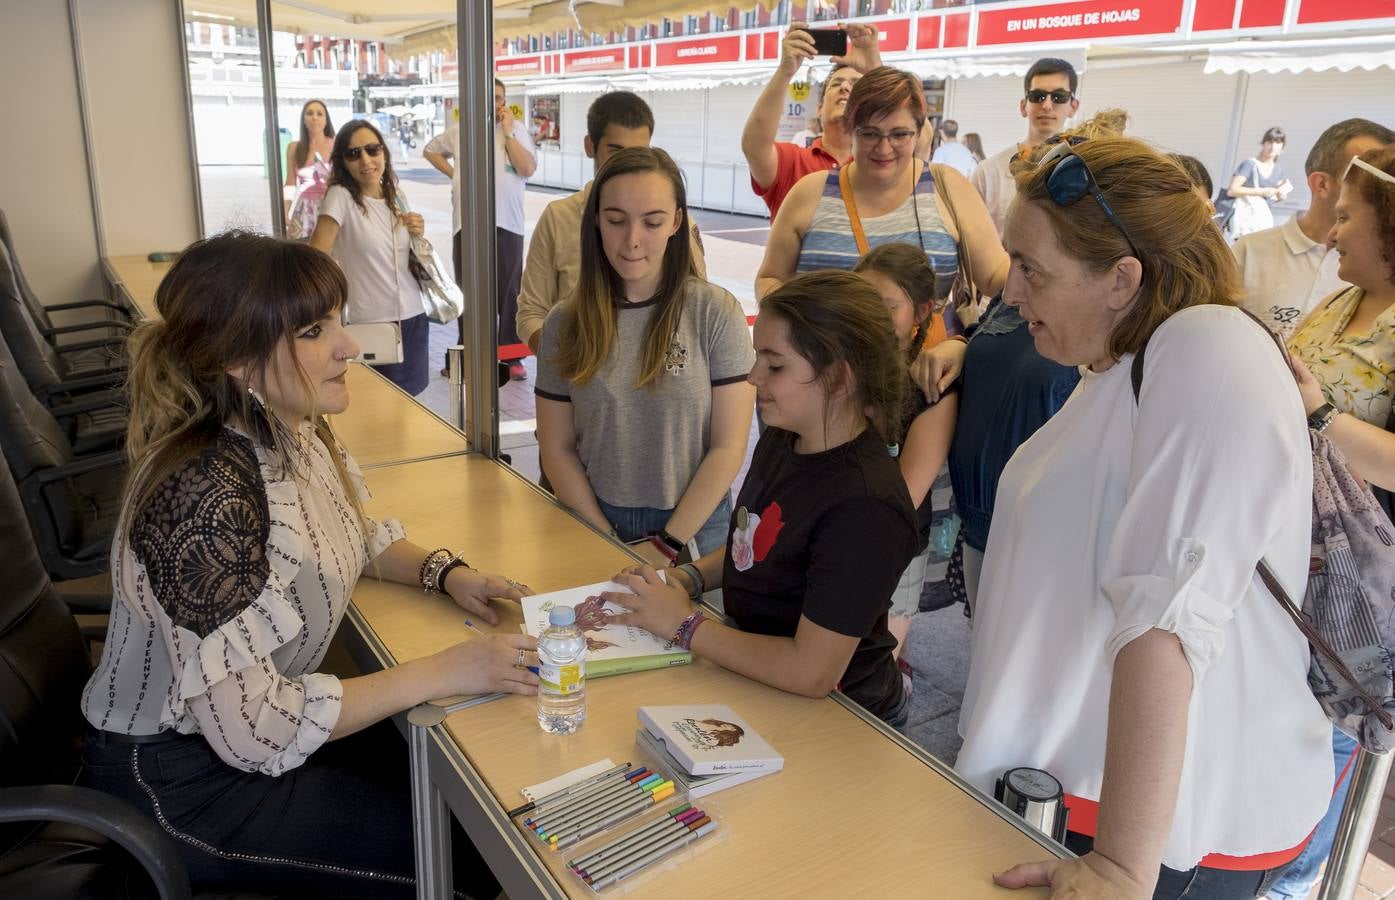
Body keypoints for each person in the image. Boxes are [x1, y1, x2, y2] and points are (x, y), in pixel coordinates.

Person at [78, 232, 539, 898]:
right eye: (315, 331)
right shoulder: (203, 495)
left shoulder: (285, 426)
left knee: (465, 785)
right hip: (181, 785)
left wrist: (446, 572)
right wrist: (447, 668)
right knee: (466, 858)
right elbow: (255, 732)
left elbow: (345, 532)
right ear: (238, 358)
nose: (348, 346)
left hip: (236, 744)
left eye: (339, 322)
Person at [957, 136, 1330, 899]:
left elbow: (1168, 616)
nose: (1012, 291)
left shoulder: (1206, 345)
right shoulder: (1120, 366)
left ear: (1122, 278)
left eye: (1031, 268)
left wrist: (1121, 868)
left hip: (1156, 834)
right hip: (1079, 793)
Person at [602, 270, 922, 728]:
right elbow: (750, 548)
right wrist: (687, 579)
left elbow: (811, 672)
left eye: (775, 365)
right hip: (760, 677)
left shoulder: (865, 507)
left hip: (843, 716)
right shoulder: (786, 437)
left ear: (839, 377)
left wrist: (685, 625)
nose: (754, 377)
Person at [916, 113, 1125, 614]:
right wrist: (963, 346)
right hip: (985, 526)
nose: (1010, 288)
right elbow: (1009, 351)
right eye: (1014, 261)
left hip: (1048, 547)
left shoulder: (1132, 350)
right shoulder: (1027, 297)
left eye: (1030, 267)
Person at [534, 147, 754, 564]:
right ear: (596, 219)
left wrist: (666, 545)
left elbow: (728, 446)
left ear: (676, 221)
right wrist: (605, 540)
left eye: (652, 221)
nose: (632, 239)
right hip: (592, 517)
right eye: (616, 220)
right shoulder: (565, 322)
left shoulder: (714, 312)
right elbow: (556, 446)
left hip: (696, 525)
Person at [755, 66, 1006, 306]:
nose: (884, 148)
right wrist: (797, 321)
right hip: (821, 350)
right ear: (850, 130)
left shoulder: (949, 188)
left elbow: (995, 276)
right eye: (870, 134)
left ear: (919, 132)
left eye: (899, 135)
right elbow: (769, 279)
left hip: (929, 350)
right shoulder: (809, 192)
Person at [515, 91, 708, 356]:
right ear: (590, 146)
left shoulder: (677, 220)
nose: (626, 164)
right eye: (615, 221)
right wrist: (564, 370)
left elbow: (697, 300)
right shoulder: (559, 217)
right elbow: (531, 312)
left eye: (652, 223)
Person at [853, 243, 957, 674]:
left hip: (894, 552)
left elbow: (904, 493)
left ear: (921, 312)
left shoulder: (931, 389)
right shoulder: (841, 372)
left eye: (887, 305)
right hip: (835, 540)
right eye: (861, 301)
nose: (870, 316)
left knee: (874, 667)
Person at [1233, 119, 1394, 339]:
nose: (1384, 189)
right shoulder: (1249, 252)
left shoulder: (1380, 271)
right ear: (1322, 184)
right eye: (1366, 171)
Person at [424, 79, 536, 382]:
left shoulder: (517, 130)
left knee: (510, 290)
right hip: (468, 223)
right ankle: (469, 352)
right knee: (468, 291)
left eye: (499, 98)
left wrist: (509, 132)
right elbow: (430, 150)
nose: (495, 104)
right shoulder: (460, 132)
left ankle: (511, 355)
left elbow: (527, 169)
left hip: (507, 222)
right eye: (489, 98)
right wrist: (454, 173)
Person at [310, 121, 430, 396]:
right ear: (343, 162)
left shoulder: (396, 196)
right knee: (378, 410)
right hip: (370, 324)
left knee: (411, 409)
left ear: (384, 153)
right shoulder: (340, 197)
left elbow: (405, 260)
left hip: (412, 317)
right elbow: (315, 260)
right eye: (354, 154)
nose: (366, 160)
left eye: (372, 149)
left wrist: (417, 233)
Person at [741, 21, 882, 219]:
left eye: (855, 85)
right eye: (836, 84)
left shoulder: (881, 162)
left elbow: (919, 141)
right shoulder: (791, 162)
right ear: (820, 109)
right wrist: (785, 70)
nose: (845, 88)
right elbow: (754, 146)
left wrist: (876, 71)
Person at [971, 57, 1080, 235]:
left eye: (1059, 97)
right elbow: (971, 241)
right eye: (1038, 96)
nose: (1046, 105)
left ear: (1073, 106)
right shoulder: (989, 173)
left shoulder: (1085, 171)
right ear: (1024, 106)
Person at [1215, 126, 1292, 242]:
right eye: (1270, 142)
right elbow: (1232, 190)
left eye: (1277, 142)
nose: (1273, 146)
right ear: (1263, 144)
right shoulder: (1250, 164)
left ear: (1282, 147)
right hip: (1244, 218)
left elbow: (1270, 199)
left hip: (1261, 220)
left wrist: (1280, 196)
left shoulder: (1278, 170)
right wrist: (1262, 191)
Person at [284, 99, 335, 240]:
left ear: (326, 121)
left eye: (320, 114)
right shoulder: (294, 148)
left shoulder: (336, 145)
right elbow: (290, 184)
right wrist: (285, 211)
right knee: (302, 257)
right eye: (309, 113)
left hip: (331, 206)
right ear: (303, 120)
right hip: (303, 210)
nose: (314, 117)